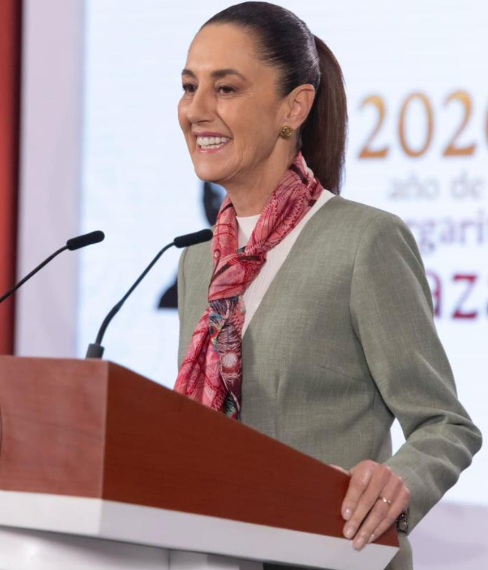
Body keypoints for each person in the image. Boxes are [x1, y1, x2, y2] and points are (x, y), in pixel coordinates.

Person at [173, 3, 482, 569]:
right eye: (190, 87)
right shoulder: (197, 259)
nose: (196, 110)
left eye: (226, 89)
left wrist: (393, 485)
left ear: (294, 107)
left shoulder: (364, 241)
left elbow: (446, 425)